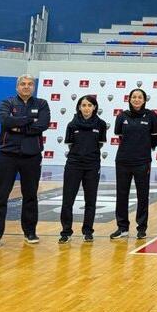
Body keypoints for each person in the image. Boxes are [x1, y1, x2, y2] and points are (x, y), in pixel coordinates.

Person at [0, 74, 50, 249]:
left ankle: (30, 232)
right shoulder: (7, 103)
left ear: (33, 87)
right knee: (0, 196)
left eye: (30, 84)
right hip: (7, 155)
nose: (26, 86)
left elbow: (43, 125)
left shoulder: (42, 104)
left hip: (32, 156)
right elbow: (6, 121)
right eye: (23, 84)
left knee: (30, 195)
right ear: (17, 87)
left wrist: (17, 126)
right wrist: (29, 121)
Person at [110, 88, 157, 240]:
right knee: (122, 194)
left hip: (142, 162)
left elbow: (153, 140)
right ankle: (122, 227)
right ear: (129, 99)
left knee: (142, 195)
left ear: (144, 100)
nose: (136, 99)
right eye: (134, 97)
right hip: (123, 161)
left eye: (139, 97)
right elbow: (120, 135)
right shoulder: (122, 116)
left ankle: (141, 228)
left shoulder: (152, 116)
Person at [59, 95, 107, 243]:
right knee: (68, 200)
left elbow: (99, 144)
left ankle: (88, 231)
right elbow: (70, 145)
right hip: (74, 165)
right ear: (79, 107)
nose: (86, 108)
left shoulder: (101, 124)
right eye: (84, 105)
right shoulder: (72, 125)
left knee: (90, 200)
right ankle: (66, 232)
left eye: (89, 105)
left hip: (92, 166)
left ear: (94, 107)